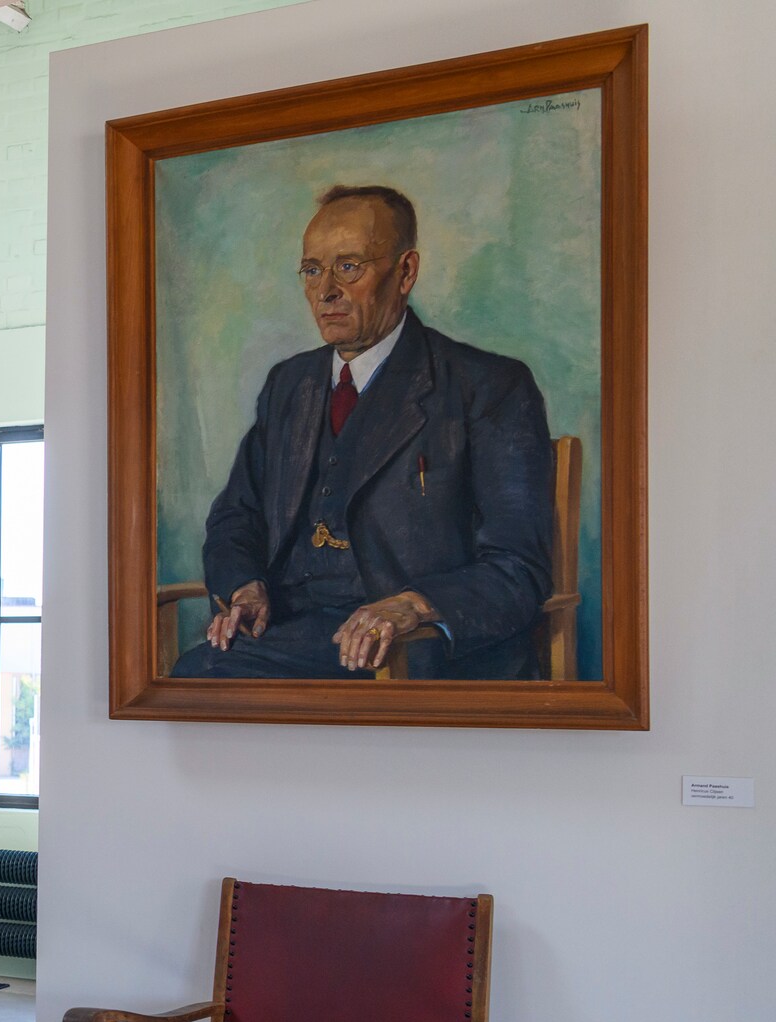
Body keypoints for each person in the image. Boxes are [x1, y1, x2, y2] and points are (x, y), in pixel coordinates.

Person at [170, 184, 556, 680]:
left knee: (202, 682)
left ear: (406, 272)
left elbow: (518, 569)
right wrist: (246, 586)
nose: (326, 290)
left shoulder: (487, 386)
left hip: (414, 650)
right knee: (192, 679)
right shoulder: (289, 385)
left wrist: (415, 606)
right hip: (289, 635)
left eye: (349, 266)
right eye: (312, 270)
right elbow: (235, 517)